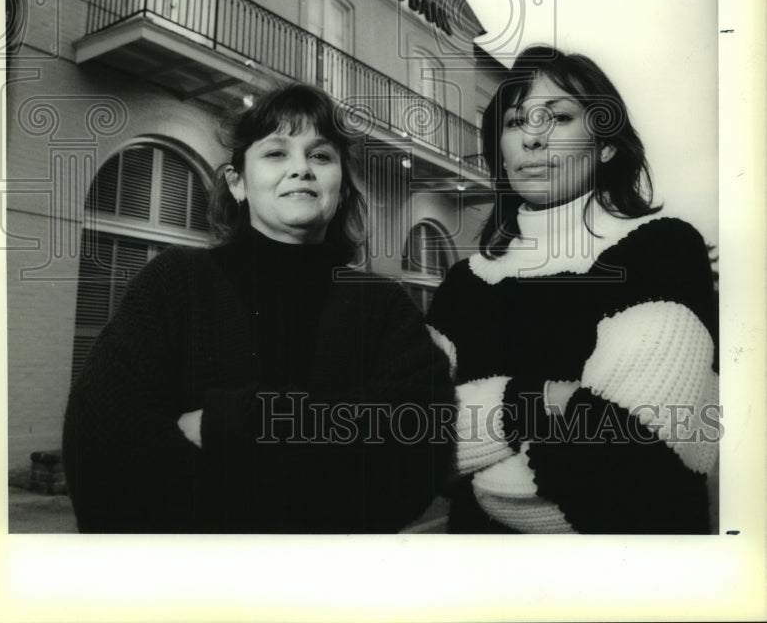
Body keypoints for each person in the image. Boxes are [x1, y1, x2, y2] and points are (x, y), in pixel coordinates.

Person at [63, 84, 454, 532]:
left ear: (342, 188)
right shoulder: (175, 282)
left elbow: (415, 442)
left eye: (321, 156)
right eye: (275, 154)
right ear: (238, 183)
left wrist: (235, 423)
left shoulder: (384, 306)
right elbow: (100, 448)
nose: (301, 169)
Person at [427, 45, 719, 534]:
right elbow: (410, 444)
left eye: (558, 117)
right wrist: (537, 403)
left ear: (606, 145)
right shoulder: (464, 284)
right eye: (517, 122)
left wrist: (480, 444)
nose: (533, 141)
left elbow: (637, 465)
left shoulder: (660, 252)